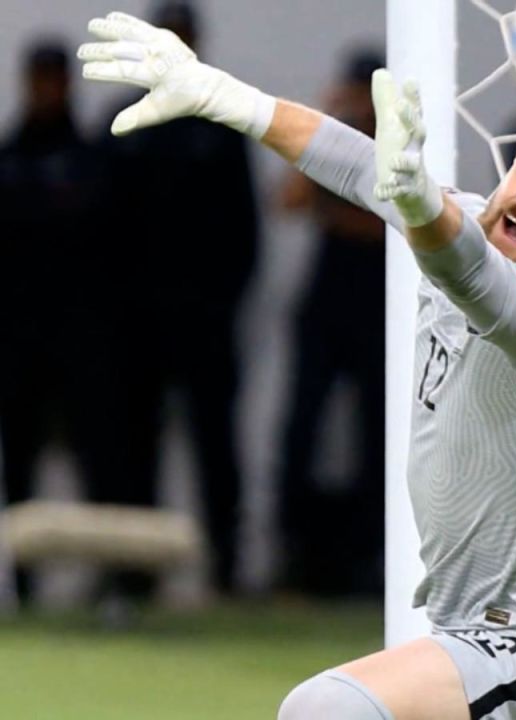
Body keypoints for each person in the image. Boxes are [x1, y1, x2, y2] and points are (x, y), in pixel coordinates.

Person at [78, 11, 516, 719]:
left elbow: (479, 281)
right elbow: (350, 160)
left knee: (326, 709)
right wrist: (222, 95)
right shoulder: (465, 225)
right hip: (468, 634)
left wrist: (419, 201)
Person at [98, 1, 259, 595]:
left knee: (216, 446)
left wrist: (221, 304)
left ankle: (227, 568)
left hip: (203, 318)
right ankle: (131, 578)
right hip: (136, 323)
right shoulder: (120, 122)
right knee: (130, 447)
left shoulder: (221, 123)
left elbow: (244, 229)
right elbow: (101, 231)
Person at [0, 39, 112, 603]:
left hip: (80, 336)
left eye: (53, 79)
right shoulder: (10, 156)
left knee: (97, 457)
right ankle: (23, 583)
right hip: (19, 339)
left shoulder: (91, 158)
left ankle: (104, 582)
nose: (46, 91)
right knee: (17, 460)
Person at [276, 50, 387, 597]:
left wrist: (338, 214)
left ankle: (371, 561)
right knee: (300, 429)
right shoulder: (335, 145)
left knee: (379, 437)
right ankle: (291, 553)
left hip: (376, 313)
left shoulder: (397, 151)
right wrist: (322, 126)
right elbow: (289, 201)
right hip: (324, 309)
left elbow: (391, 228)